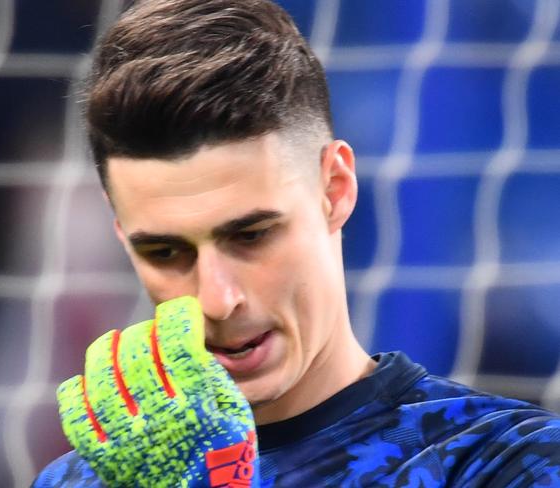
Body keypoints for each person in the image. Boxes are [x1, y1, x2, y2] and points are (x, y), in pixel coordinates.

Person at [33, 0, 560, 486]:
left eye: (251, 235)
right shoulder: (76, 481)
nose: (218, 300)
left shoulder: (504, 462)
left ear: (335, 189)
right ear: (121, 232)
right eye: (165, 252)